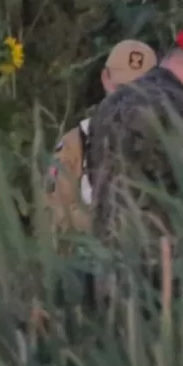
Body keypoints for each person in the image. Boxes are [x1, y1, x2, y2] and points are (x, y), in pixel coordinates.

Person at [82, 28, 183, 236]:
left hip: (110, 243)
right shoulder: (181, 105)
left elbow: (92, 169)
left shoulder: (109, 104)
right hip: (161, 244)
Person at [42, 39, 155, 232]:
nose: (128, 100)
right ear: (105, 79)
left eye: (139, 92)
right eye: (121, 90)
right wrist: (104, 223)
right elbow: (52, 211)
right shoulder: (77, 142)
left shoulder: (172, 141)